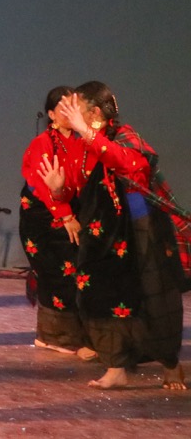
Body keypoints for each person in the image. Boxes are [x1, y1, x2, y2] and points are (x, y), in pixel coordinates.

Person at [55, 82, 189, 390]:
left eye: (77, 108)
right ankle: (116, 366)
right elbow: (79, 189)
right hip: (101, 235)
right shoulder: (81, 145)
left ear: (95, 113)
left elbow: (128, 164)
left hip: (137, 231)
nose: (70, 114)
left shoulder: (125, 137)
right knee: (98, 296)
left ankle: (170, 364)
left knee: (151, 299)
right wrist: (58, 191)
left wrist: (87, 134)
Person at [17, 86, 94, 358]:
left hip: (68, 210)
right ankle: (54, 337)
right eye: (64, 107)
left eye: (74, 106)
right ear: (51, 115)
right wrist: (66, 216)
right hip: (42, 216)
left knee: (75, 271)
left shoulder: (80, 140)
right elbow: (43, 185)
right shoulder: (43, 143)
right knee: (57, 274)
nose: (71, 112)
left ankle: (73, 335)